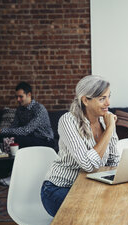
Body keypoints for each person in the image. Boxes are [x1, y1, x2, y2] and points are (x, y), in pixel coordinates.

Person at [41, 75, 120, 217]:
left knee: (117, 206)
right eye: (102, 98)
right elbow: (88, 165)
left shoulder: (105, 121)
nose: (108, 103)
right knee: (94, 214)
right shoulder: (68, 121)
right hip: (60, 188)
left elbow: (114, 161)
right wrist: (109, 129)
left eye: (108, 97)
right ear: (85, 100)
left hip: (90, 187)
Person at [0, 82, 54, 148]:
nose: (18, 99)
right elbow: (13, 128)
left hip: (45, 140)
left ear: (29, 95)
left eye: (21, 97)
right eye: (17, 97)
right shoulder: (19, 109)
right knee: (4, 137)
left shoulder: (39, 109)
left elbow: (26, 130)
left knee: (18, 140)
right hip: (29, 138)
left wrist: (0, 130)